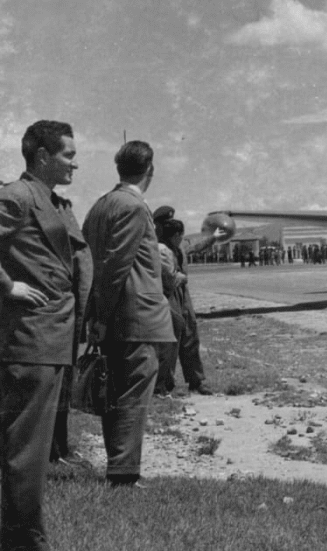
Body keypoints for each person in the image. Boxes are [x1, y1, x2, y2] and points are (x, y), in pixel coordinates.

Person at [0, 120, 91, 550]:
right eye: (68, 155)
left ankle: (19, 532)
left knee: (32, 448)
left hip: (53, 335)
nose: (75, 163)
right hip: (31, 337)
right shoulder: (18, 196)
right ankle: (22, 539)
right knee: (27, 449)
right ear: (42, 156)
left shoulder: (53, 201)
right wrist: (7, 286)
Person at [82, 141, 175, 487]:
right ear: (150, 170)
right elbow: (116, 266)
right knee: (133, 395)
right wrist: (103, 316)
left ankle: (119, 468)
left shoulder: (100, 206)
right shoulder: (134, 207)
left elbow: (92, 264)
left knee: (116, 394)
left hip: (114, 315)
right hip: (136, 317)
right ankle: (124, 475)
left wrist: (97, 315)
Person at [153, 209, 212, 397]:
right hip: (168, 296)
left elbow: (196, 246)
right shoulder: (157, 248)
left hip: (183, 296)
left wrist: (214, 238)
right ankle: (164, 384)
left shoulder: (179, 246)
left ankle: (196, 381)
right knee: (171, 341)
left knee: (191, 335)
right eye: (166, 223)